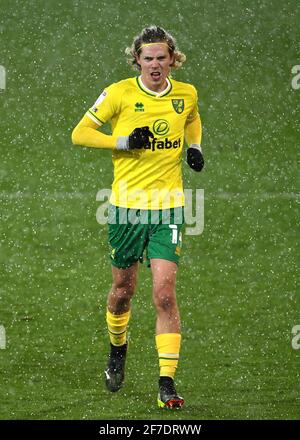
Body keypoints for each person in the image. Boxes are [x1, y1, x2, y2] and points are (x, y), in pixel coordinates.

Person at [72, 25, 204, 409]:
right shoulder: (119, 94)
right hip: (126, 208)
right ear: (137, 61)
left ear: (172, 59)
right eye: (148, 58)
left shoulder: (186, 94)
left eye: (162, 57)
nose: (155, 65)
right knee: (122, 293)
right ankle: (117, 348)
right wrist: (124, 141)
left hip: (169, 207)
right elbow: (80, 133)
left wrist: (195, 146)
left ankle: (166, 383)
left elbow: (192, 117)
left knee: (164, 294)